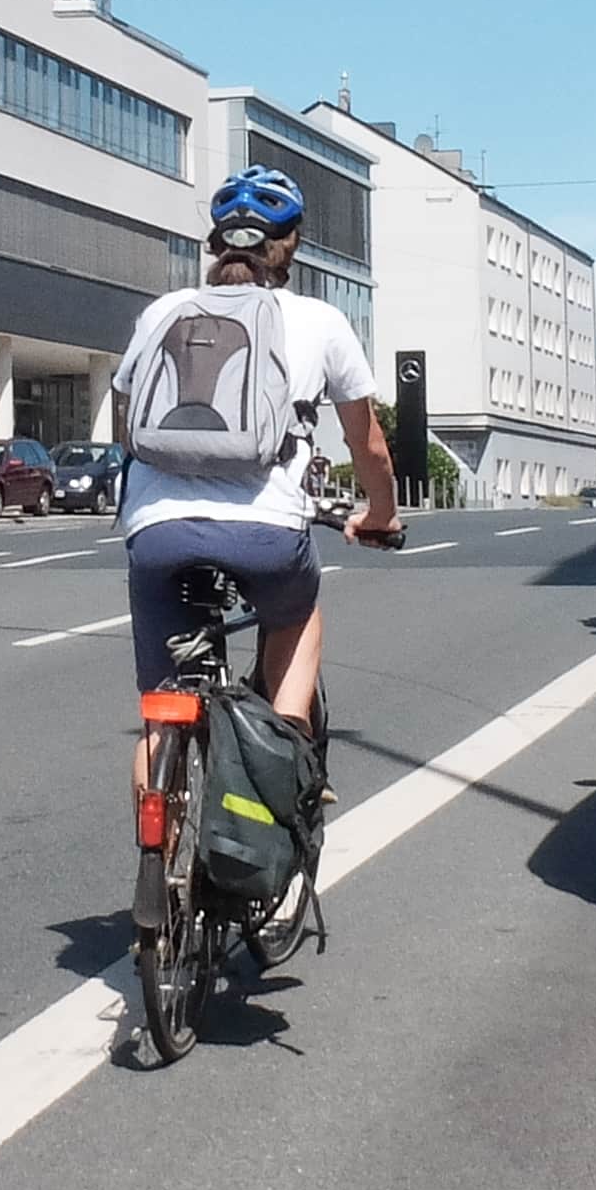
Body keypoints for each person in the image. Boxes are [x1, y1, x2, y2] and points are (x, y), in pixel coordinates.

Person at [115, 167, 399, 761]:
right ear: (291, 245)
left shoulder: (162, 312)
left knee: (161, 715)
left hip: (157, 530)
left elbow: (128, 419)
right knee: (297, 616)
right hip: (267, 530)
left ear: (215, 243)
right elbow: (366, 443)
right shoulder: (321, 321)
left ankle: (156, 835)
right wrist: (380, 514)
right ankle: (283, 751)